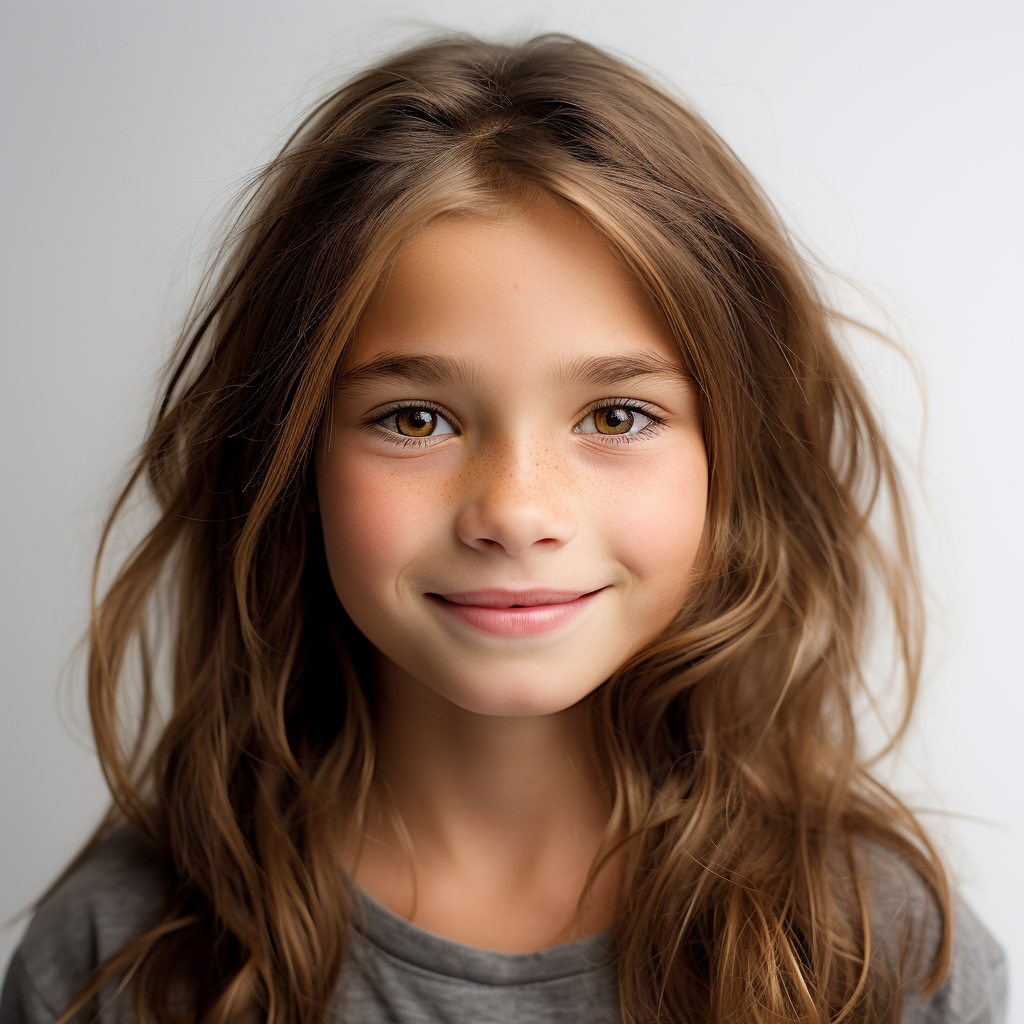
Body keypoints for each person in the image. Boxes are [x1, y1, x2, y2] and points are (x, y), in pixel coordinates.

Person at [0, 32, 1006, 1024]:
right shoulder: (122, 957)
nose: (517, 512)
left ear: (729, 463)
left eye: (616, 416)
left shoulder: (877, 952)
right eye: (415, 419)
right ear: (291, 458)